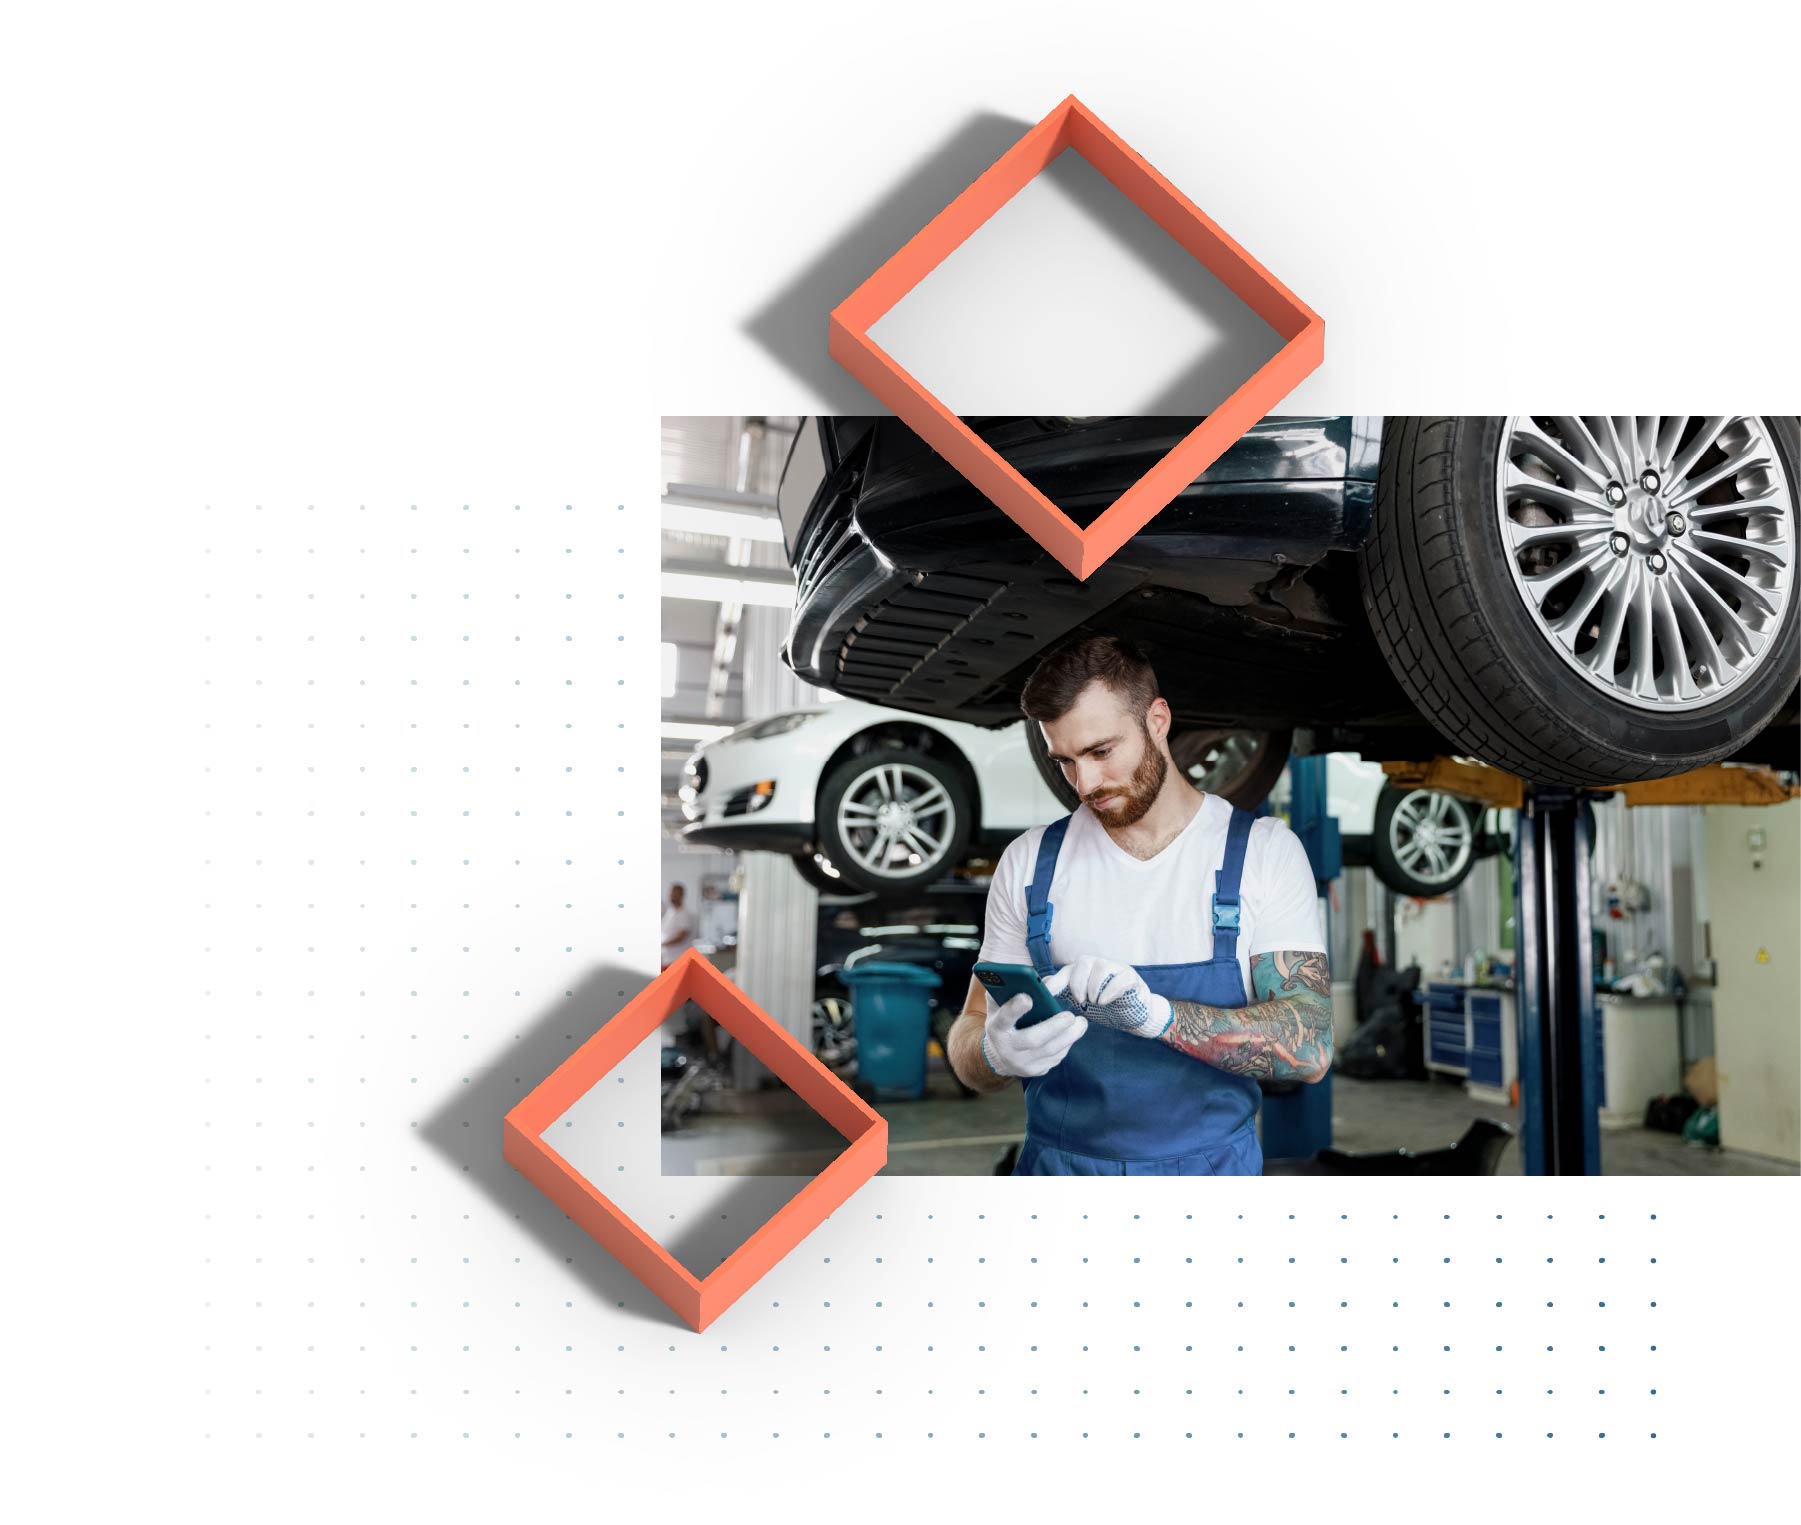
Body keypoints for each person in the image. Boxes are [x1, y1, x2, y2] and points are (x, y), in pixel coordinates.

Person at [946, 634, 1331, 1176]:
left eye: (1102, 751)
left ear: (1157, 720)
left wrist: (1157, 1018)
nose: (1086, 783)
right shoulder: (1031, 863)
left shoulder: (1262, 853)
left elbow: (1309, 1046)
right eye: (1065, 761)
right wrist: (991, 1054)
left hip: (1211, 1186)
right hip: (1060, 1185)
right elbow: (970, 1030)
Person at [660, 883, 696, 969]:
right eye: (671, 894)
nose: (672, 896)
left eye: (675, 894)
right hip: (667, 958)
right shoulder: (670, 912)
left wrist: (663, 944)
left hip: (677, 960)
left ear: (681, 895)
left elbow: (681, 937)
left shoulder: (684, 914)